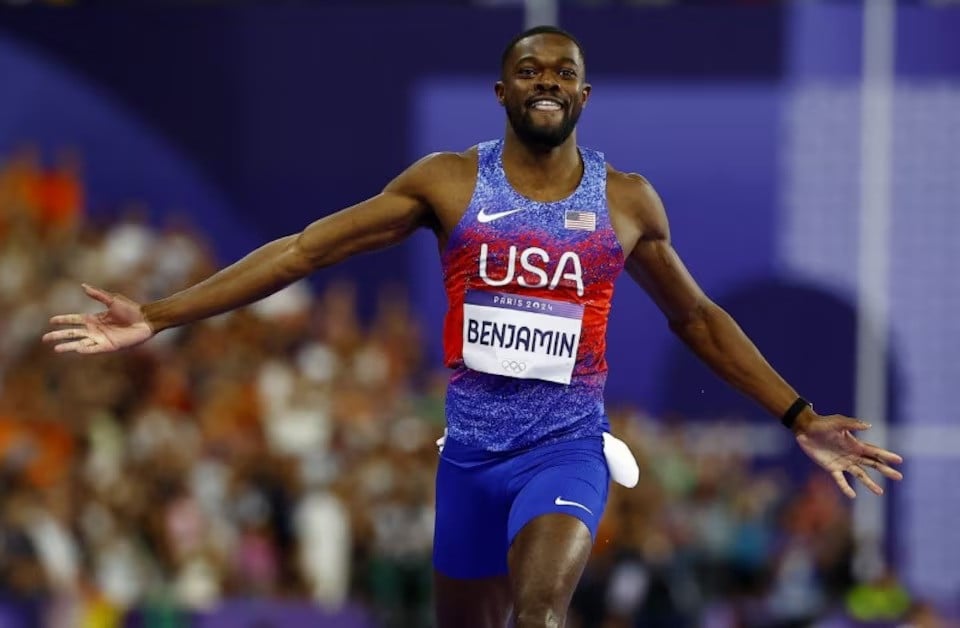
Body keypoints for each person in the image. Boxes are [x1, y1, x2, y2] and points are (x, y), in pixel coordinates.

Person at [43, 25, 904, 628]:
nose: (547, 83)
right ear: (503, 90)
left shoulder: (625, 200)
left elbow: (698, 318)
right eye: (531, 71)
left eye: (563, 72)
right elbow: (303, 252)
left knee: (538, 615)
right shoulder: (449, 185)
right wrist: (156, 315)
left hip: (564, 450)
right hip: (468, 461)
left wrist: (799, 417)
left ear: (585, 94)